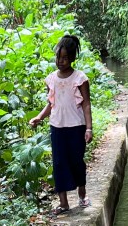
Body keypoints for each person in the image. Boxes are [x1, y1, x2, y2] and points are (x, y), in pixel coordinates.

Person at [29, 33, 93, 214]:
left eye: (65, 58)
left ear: (72, 58)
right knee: (58, 163)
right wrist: (39, 117)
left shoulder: (80, 78)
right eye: (58, 57)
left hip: (76, 126)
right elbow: (51, 103)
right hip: (57, 127)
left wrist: (89, 128)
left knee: (76, 162)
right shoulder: (51, 79)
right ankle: (63, 203)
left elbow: (86, 104)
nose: (61, 61)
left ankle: (82, 194)